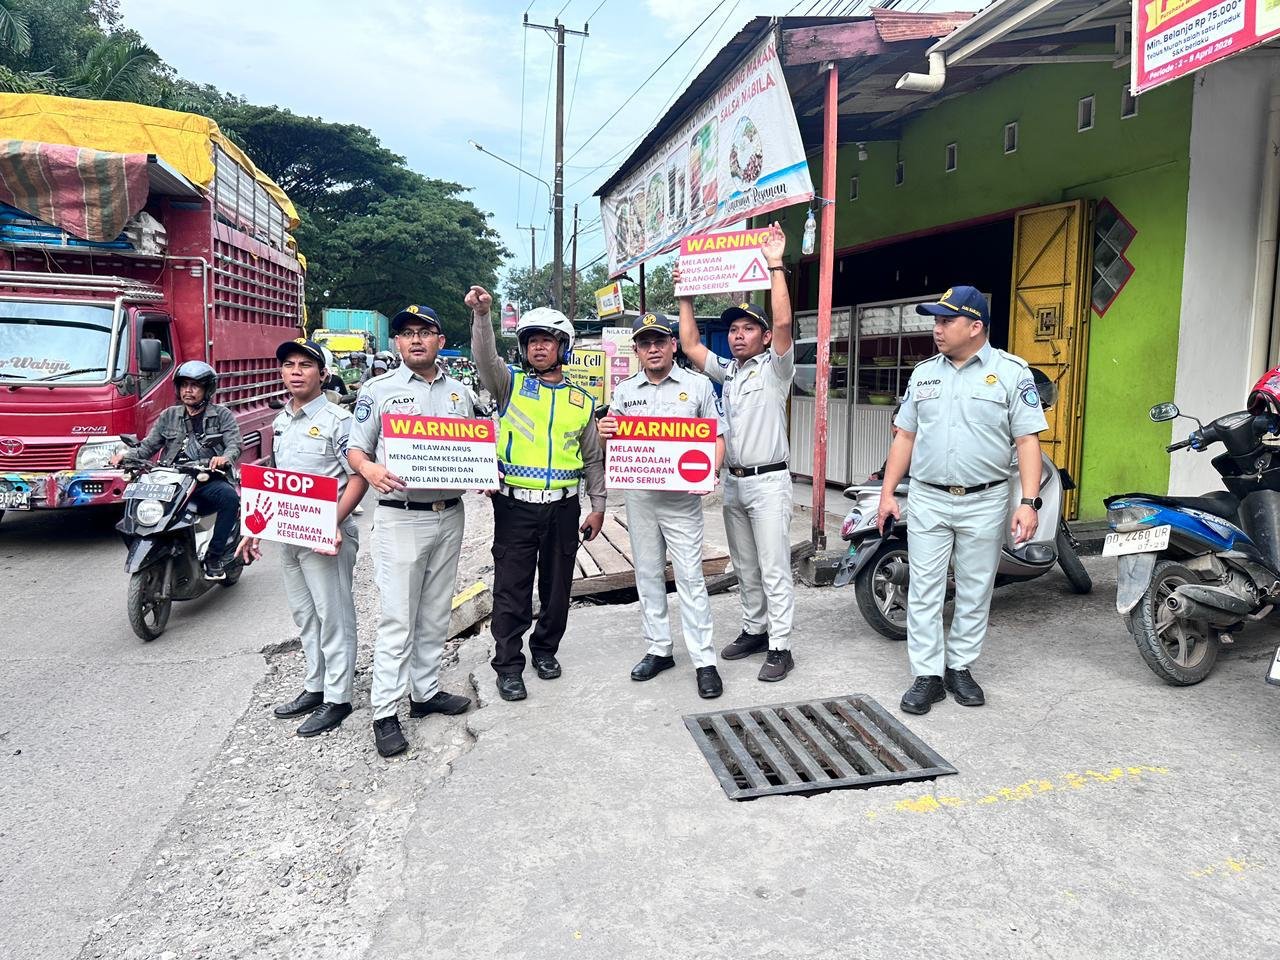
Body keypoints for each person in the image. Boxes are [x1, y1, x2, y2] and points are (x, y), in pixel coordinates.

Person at [875, 286, 1048, 715]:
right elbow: (905, 437)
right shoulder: (924, 374)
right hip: (929, 498)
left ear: (975, 327)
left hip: (985, 500)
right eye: (935, 321)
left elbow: (1027, 440)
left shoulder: (1012, 372)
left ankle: (961, 668)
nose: (937, 329)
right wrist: (886, 494)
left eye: (946, 321)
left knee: (974, 589)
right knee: (925, 590)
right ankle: (928, 675)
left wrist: (1029, 502)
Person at [465, 285, 605, 703]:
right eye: (531, 341)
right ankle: (508, 665)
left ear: (563, 346)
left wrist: (597, 507)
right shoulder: (508, 386)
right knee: (512, 588)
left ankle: (545, 651)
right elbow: (484, 358)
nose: (538, 347)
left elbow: (593, 459)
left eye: (546, 340)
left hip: (564, 507)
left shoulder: (582, 401)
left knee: (558, 587)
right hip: (514, 506)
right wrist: (483, 316)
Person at [347, 305, 475, 759]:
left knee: (436, 611)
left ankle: (424, 693)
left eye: (425, 332)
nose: (415, 340)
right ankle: (384, 711)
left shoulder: (462, 393)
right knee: (398, 616)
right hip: (401, 513)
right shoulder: (379, 390)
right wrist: (371, 469)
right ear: (396, 344)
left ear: (440, 339)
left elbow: (478, 444)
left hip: (450, 511)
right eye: (406, 334)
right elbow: (356, 450)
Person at [675, 222, 797, 682]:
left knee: (773, 565)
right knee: (745, 563)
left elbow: (783, 322)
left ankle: (781, 646)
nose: (738, 335)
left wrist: (775, 264)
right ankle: (754, 628)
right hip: (734, 482)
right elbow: (689, 344)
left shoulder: (774, 369)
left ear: (765, 338)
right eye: (734, 330)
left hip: (769, 482)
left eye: (749, 329)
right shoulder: (729, 371)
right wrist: (685, 291)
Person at [237, 339, 368, 737]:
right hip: (291, 536)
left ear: (323, 374)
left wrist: (332, 522)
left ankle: (339, 697)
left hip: (329, 536)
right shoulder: (280, 421)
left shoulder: (338, 421)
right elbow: (276, 482)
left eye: (306, 365)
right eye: (289, 364)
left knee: (335, 616)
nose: (296, 371)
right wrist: (253, 529)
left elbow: (359, 478)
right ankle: (316, 686)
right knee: (306, 616)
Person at [598, 312, 726, 697]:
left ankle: (704, 660)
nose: (652, 348)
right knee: (649, 574)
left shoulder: (698, 386)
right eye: (645, 343)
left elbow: (717, 437)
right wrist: (605, 433)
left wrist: (711, 472)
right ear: (636, 350)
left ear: (673, 345)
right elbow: (613, 445)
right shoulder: (624, 392)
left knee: (690, 577)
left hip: (683, 500)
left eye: (659, 341)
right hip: (640, 498)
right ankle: (659, 648)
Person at [112, 359, 241, 580]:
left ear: (207, 389)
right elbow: (148, 447)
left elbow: (235, 444)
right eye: (184, 385)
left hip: (205, 479)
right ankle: (158, 555)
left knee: (229, 498)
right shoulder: (169, 416)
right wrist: (125, 457)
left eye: (195, 386)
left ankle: (214, 556)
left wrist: (224, 458)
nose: (188, 391)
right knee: (134, 506)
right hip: (172, 481)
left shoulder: (221, 415)